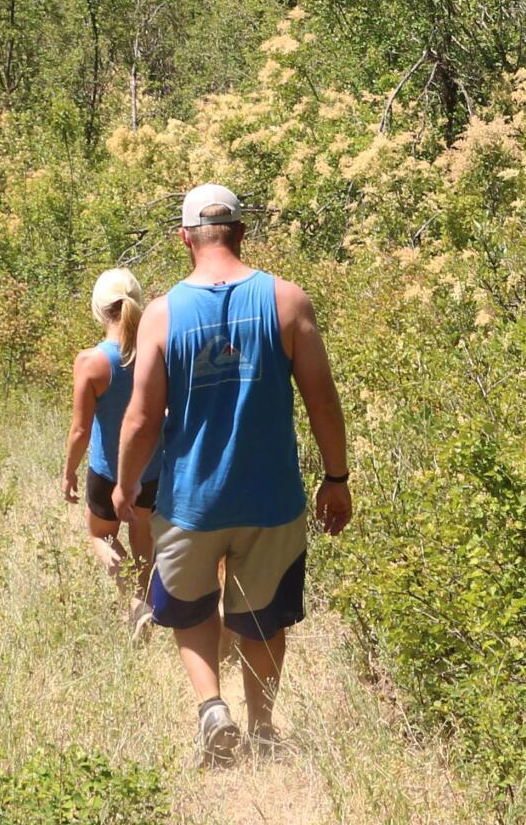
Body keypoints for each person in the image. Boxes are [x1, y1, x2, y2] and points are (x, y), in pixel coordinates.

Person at [117, 183, 352, 769]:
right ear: (242, 232)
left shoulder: (165, 314)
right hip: (272, 498)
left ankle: (211, 711)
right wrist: (336, 476)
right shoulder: (287, 301)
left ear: (185, 239)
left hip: (191, 501)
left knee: (191, 606)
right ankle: (264, 727)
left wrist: (125, 487)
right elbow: (323, 400)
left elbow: (142, 418)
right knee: (264, 613)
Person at [65, 267, 157, 631]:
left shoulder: (92, 362)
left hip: (108, 473)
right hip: (151, 473)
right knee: (144, 552)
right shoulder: (156, 353)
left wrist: (69, 472)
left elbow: (80, 430)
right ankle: (143, 603)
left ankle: (135, 605)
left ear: (101, 310)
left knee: (100, 536)